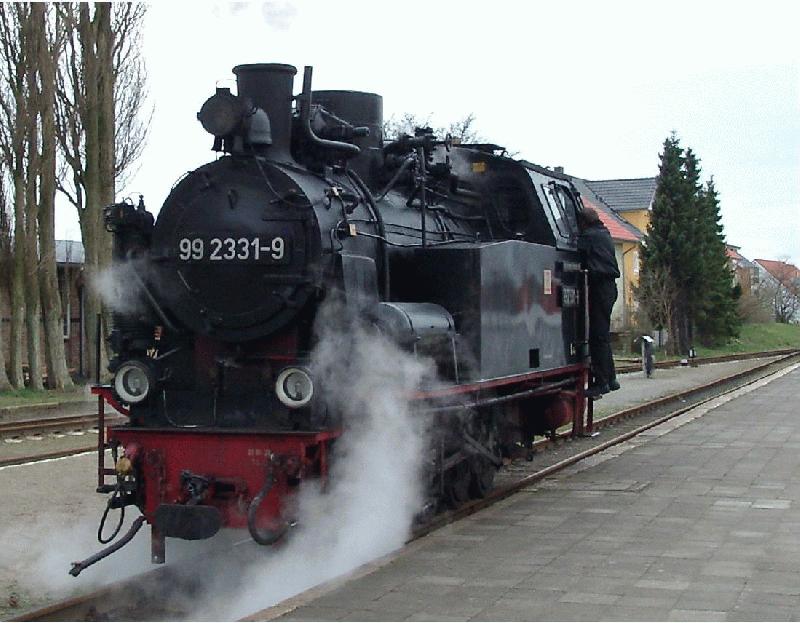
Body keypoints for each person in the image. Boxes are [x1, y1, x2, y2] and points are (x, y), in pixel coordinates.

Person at [576, 207, 620, 398]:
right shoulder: (604, 233)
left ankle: (601, 382)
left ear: (584, 222)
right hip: (608, 288)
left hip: (601, 287)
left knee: (597, 336)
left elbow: (576, 248)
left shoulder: (590, 237)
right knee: (602, 335)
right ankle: (611, 379)